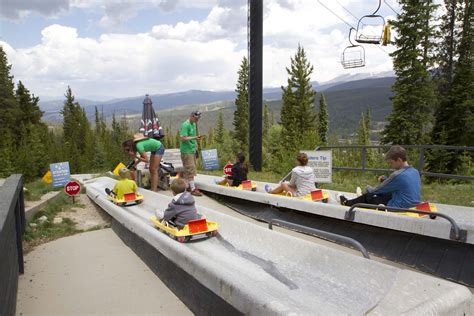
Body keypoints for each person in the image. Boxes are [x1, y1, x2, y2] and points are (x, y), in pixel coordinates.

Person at [338, 145, 421, 208]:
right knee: (384, 193)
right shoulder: (415, 171)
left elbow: (377, 190)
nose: (391, 166)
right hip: (413, 204)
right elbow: (399, 185)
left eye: (391, 163)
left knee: (369, 196)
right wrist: (385, 179)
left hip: (398, 206)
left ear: (399, 160)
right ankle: (357, 199)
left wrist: (368, 189)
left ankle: (346, 203)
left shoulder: (397, 175)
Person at [180, 111, 202, 196]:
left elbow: (193, 136)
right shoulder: (186, 125)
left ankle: (188, 186)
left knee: (189, 170)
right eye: (196, 118)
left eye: (198, 118)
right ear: (191, 116)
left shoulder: (193, 124)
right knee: (190, 169)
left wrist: (196, 144)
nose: (197, 120)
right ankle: (193, 189)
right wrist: (195, 137)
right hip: (186, 151)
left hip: (191, 150)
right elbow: (182, 137)